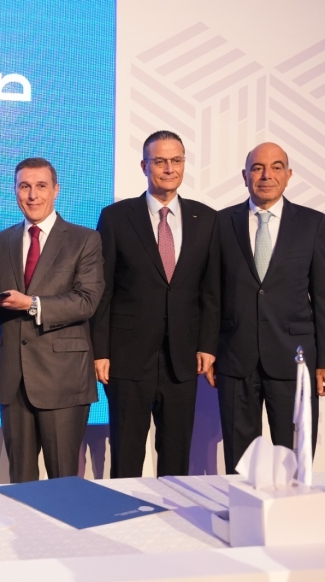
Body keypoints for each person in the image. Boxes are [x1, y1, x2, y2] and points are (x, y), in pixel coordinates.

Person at [91, 130, 220, 478]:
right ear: (144, 166)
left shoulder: (207, 219)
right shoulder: (116, 217)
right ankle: (125, 511)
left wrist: (208, 345)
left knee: (177, 458)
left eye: (176, 160)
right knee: (126, 456)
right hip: (127, 357)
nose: (169, 168)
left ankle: (172, 512)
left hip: (183, 358)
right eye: (160, 161)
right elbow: (103, 289)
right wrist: (100, 351)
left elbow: (211, 291)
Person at [0, 157, 104, 483]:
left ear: (56, 190)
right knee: (21, 483)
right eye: (24, 186)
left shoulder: (84, 240)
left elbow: (86, 301)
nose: (32, 195)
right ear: (15, 191)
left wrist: (32, 304)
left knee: (63, 484)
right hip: (12, 380)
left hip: (63, 380)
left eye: (41, 186)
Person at [213, 142, 325, 473]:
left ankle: (293, 506)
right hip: (235, 358)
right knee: (240, 464)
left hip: (294, 359)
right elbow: (211, 294)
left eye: (276, 167)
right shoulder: (221, 222)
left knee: (295, 460)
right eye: (257, 168)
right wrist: (209, 350)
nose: (266, 175)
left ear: (288, 174)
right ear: (245, 176)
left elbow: (323, 295)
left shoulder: (312, 223)